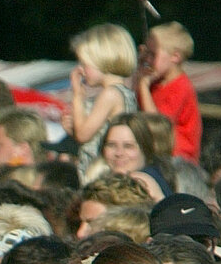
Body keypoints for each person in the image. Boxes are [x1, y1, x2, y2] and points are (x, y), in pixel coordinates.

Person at [66, 25, 139, 178]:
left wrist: (78, 95)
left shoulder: (110, 94)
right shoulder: (125, 93)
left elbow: (83, 135)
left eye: (85, 64)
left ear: (103, 60)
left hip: (99, 171)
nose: (81, 70)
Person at [138, 23, 201, 162]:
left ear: (175, 57)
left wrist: (143, 84)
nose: (148, 59)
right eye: (146, 53)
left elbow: (156, 126)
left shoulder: (180, 87)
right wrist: (140, 71)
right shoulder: (155, 83)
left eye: (153, 54)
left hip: (178, 161)